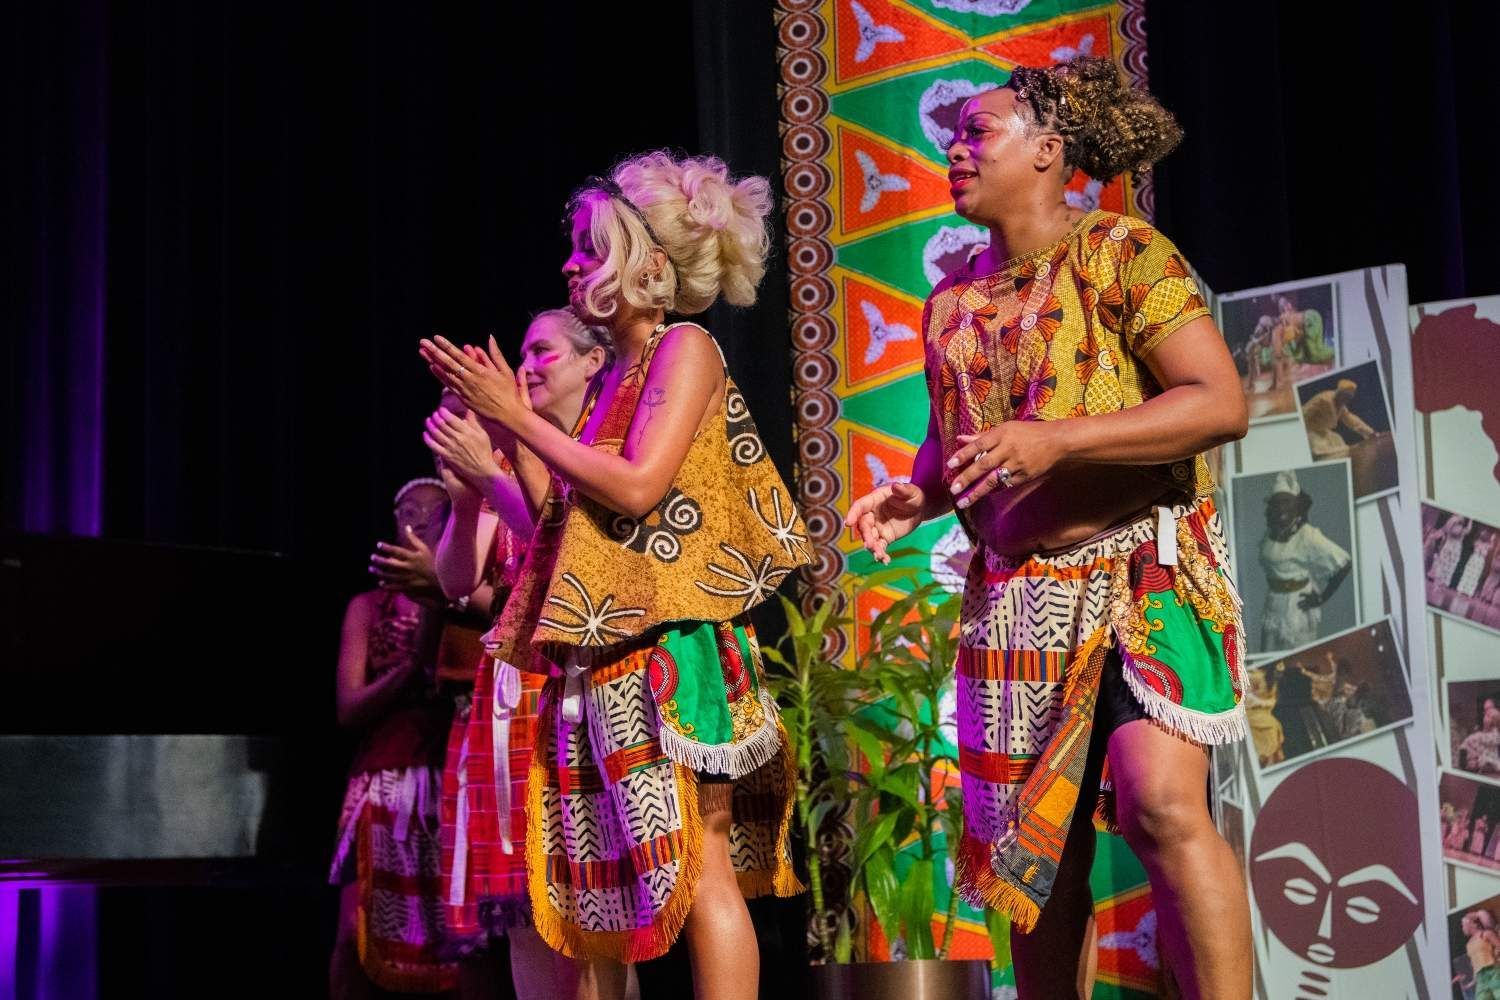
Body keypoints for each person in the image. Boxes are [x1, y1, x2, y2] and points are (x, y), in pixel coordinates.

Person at [846, 55, 1251, 999]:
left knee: (1159, 809)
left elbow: (1219, 401)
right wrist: (919, 494)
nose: (953, 148)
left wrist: (1059, 441)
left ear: (1048, 151)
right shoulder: (949, 303)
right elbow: (967, 449)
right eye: (951, 135)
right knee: (1037, 861)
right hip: (1017, 600)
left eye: (977, 131)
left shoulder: (1122, 251)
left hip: (1135, 571)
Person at [421, 151, 807, 1000]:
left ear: (649, 265)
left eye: (591, 251)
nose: (571, 264)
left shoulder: (684, 347)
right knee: (609, 883)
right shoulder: (612, 385)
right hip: (603, 659)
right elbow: (570, 539)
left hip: (675, 656)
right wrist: (503, 449)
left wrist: (518, 417)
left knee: (699, 870)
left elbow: (637, 487)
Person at [426, 313, 635, 1000]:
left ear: (590, 364)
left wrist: (492, 473)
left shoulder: (602, 449)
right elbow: (458, 582)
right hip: (511, 695)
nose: (528, 365)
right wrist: (464, 498)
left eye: (543, 350)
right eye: (522, 353)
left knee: (588, 907)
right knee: (526, 911)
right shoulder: (515, 453)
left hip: (575, 683)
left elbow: (561, 543)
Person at [329, 478, 458, 997]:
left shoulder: (461, 598)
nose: (417, 521)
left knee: (451, 935)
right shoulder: (367, 607)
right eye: (407, 510)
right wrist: (407, 673)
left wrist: (438, 604)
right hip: (381, 776)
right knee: (354, 930)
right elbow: (348, 708)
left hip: (448, 771)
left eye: (431, 512)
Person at [1257, 470, 1352, 651]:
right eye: (1277, 503)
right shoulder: (1271, 532)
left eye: (1286, 502)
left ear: (1297, 506)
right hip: (1273, 603)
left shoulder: (1307, 535)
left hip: (1296, 607)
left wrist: (1321, 598)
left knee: (1296, 657)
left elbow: (1344, 563)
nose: (1281, 508)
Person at [1301, 378, 1376, 460]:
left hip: (1323, 433)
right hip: (1308, 432)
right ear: (1340, 393)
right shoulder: (1323, 399)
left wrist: (1370, 433)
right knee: (1322, 451)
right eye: (1346, 396)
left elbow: (1353, 421)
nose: (1347, 400)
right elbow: (1304, 413)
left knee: (1341, 445)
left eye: (1349, 398)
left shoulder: (1341, 406)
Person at [1246, 666, 1284, 767]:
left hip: (1263, 713)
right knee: (1271, 725)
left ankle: (1270, 760)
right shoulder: (1254, 674)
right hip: (1250, 714)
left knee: (1274, 725)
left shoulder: (1272, 684)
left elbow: (1272, 701)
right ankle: (1264, 758)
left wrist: (1259, 702)